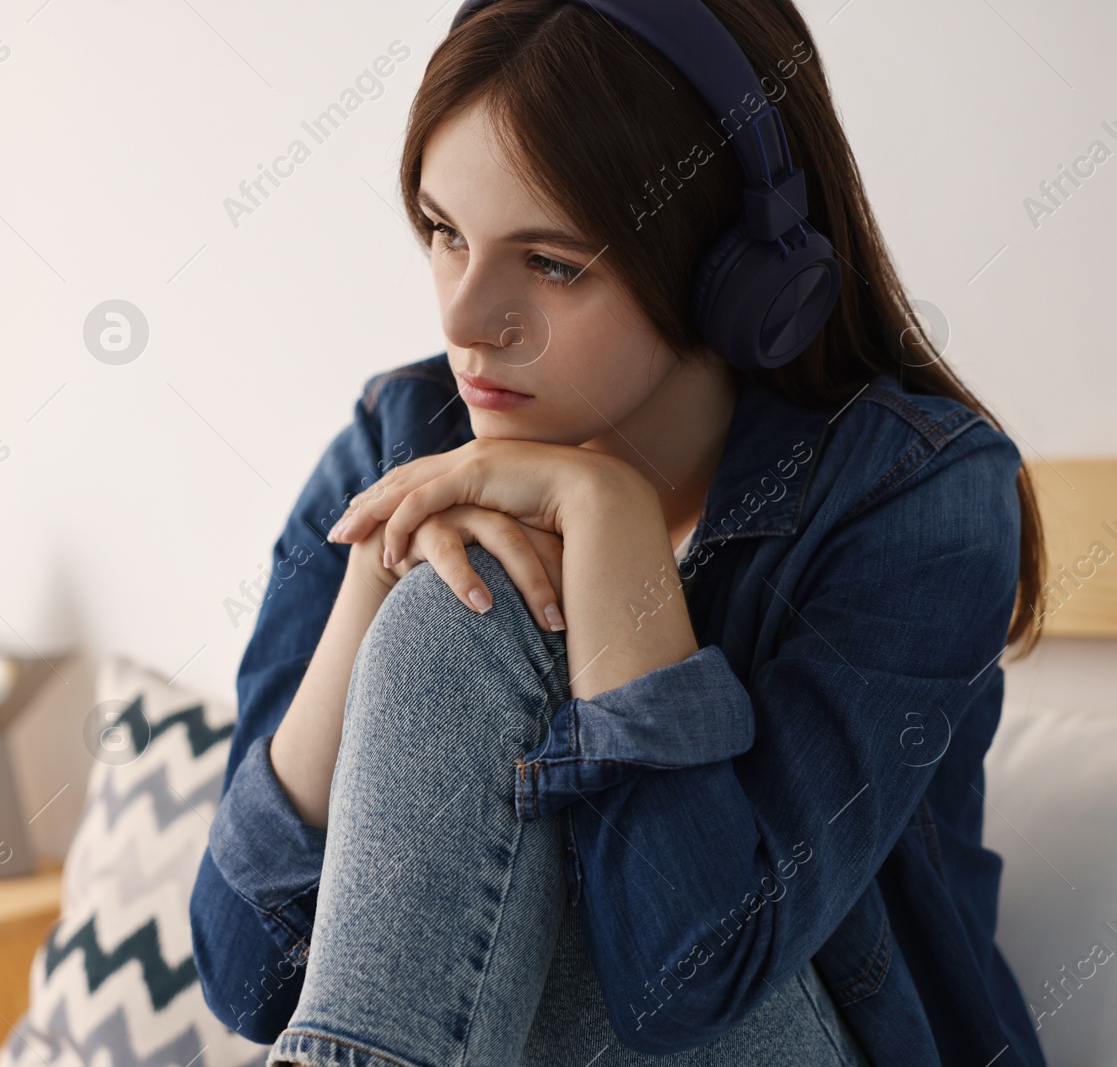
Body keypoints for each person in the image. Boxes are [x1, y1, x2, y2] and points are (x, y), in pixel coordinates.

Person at [189, 1, 1049, 1064]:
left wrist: (610, 523)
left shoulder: (918, 499)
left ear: (738, 276)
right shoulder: (397, 435)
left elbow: (685, 979)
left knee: (473, 614)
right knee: (443, 592)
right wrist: (379, 557)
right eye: (445, 233)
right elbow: (247, 975)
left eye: (548, 263)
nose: (462, 318)